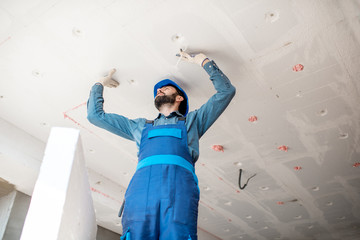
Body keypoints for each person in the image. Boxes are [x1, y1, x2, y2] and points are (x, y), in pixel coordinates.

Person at [87, 51, 236, 240]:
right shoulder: (139, 126)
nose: (159, 90)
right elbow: (95, 116)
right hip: (141, 192)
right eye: (158, 90)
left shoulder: (193, 121)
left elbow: (226, 91)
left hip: (179, 190)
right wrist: (99, 84)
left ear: (180, 98)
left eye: (165, 88)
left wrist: (203, 62)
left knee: (179, 235)